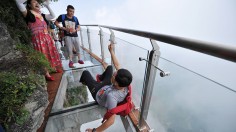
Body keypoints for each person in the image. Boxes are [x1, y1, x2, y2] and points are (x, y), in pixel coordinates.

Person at [80, 43, 133, 132]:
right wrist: (111, 51)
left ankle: (86, 83)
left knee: (85, 73)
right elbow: (117, 65)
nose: (114, 74)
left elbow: (111, 121)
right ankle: (100, 79)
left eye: (113, 76)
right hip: (108, 86)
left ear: (116, 82)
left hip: (97, 92)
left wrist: (95, 131)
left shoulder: (112, 97)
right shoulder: (126, 83)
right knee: (109, 67)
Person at [15, 0, 62, 81]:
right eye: (33, 2)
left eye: (37, 2)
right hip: (38, 38)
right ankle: (46, 73)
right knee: (42, 54)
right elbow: (18, 2)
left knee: (50, 53)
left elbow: (53, 16)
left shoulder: (42, 15)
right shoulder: (28, 13)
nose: (37, 3)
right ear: (29, 5)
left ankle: (52, 68)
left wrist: (47, 6)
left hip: (46, 37)